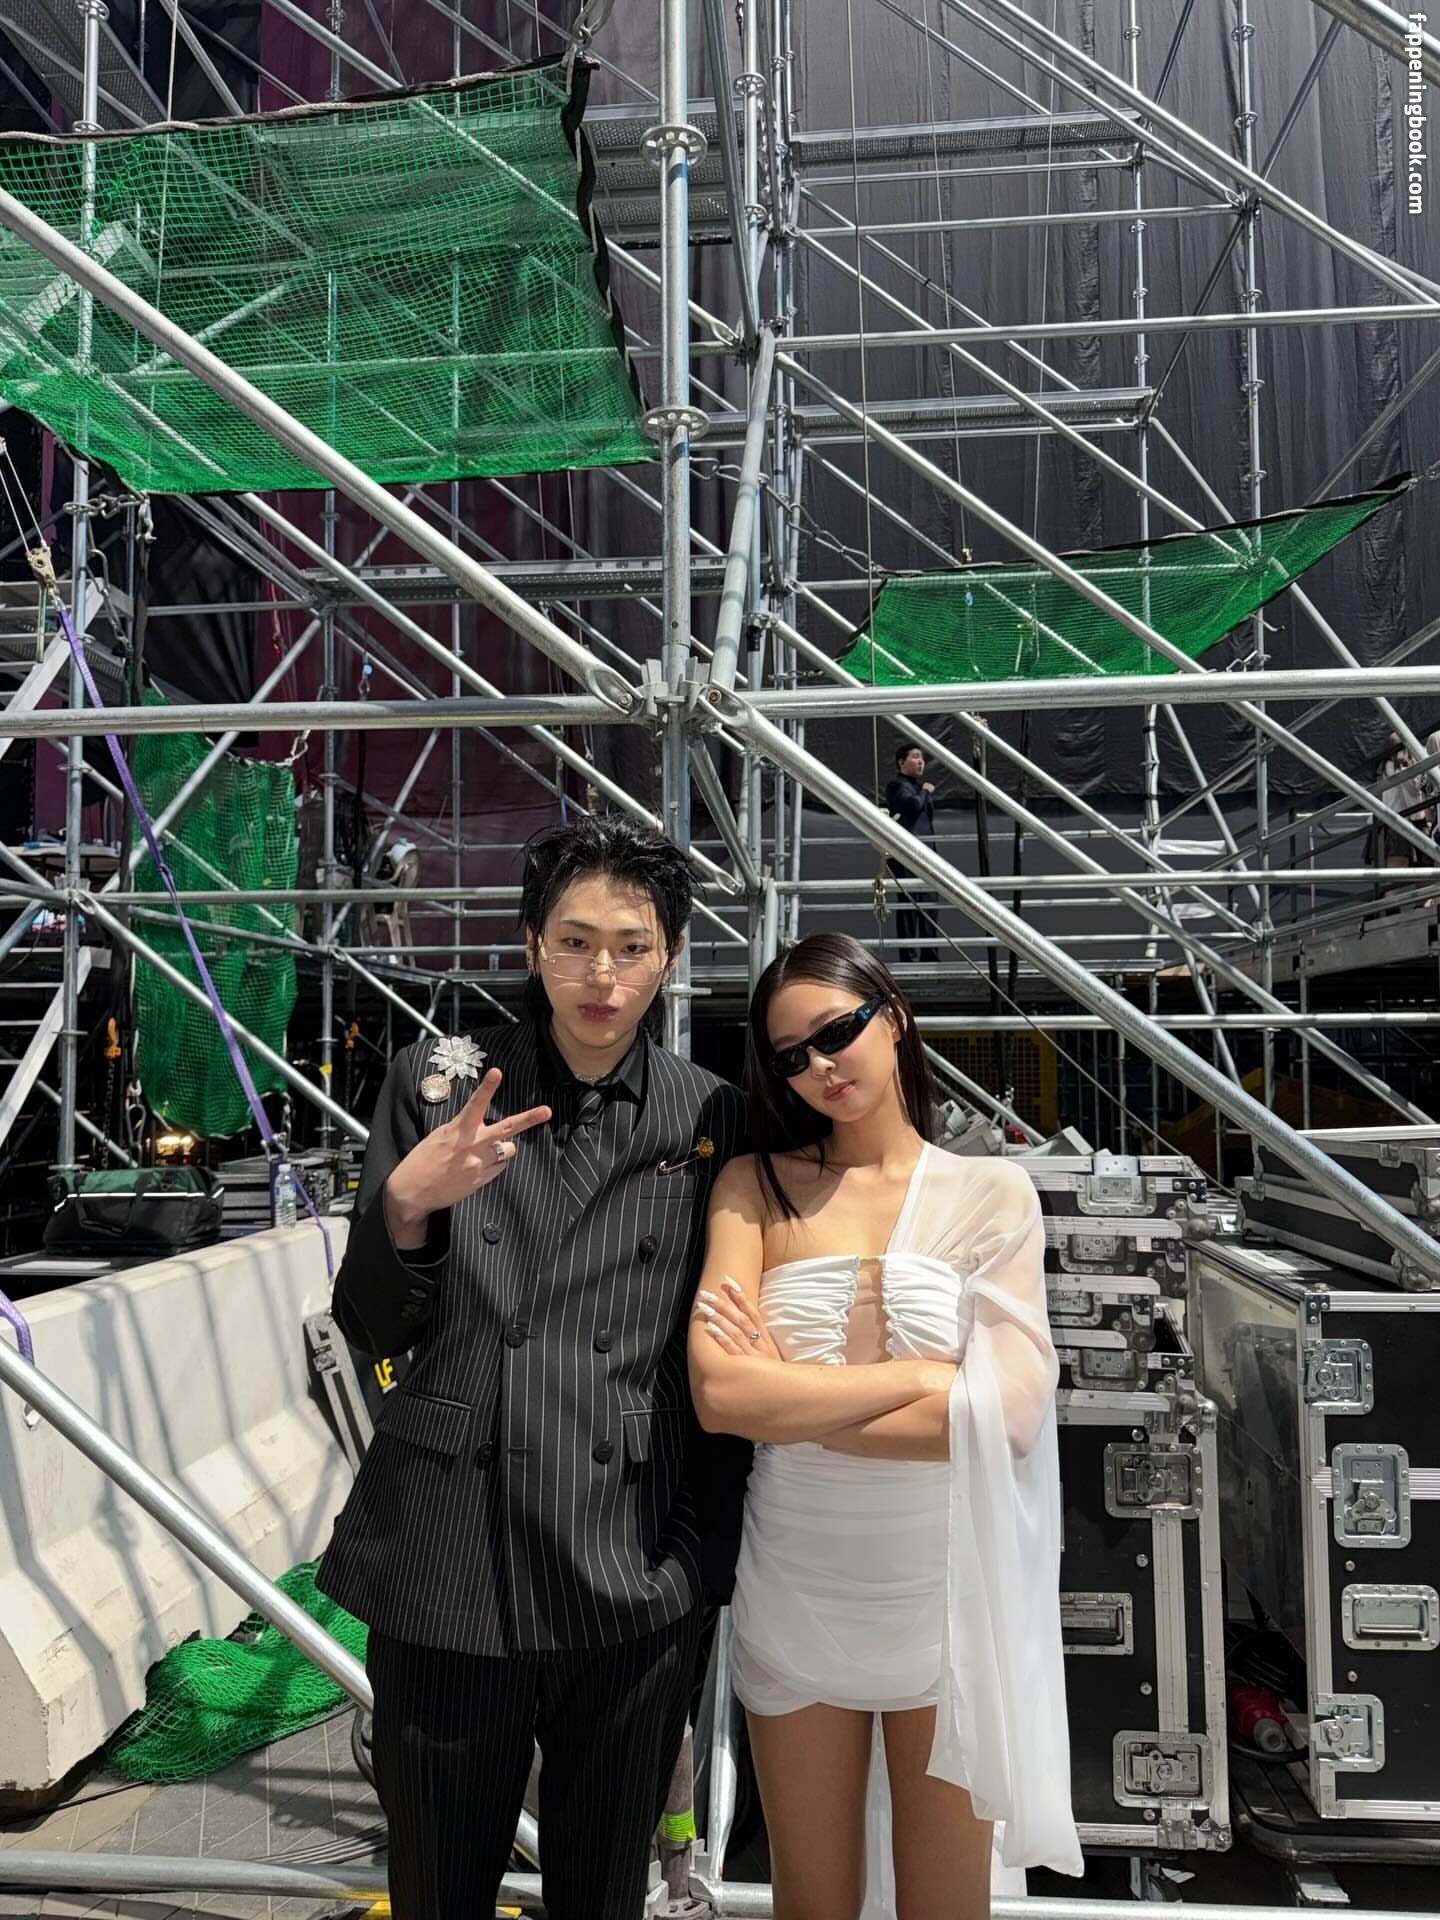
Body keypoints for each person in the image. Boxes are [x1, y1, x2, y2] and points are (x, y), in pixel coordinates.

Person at [316, 817, 749, 1920]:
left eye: (632, 947)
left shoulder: (709, 1115)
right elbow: (371, 1327)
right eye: (575, 942)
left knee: (602, 1895)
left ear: (670, 957)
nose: (603, 975)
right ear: (530, 945)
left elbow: (721, 1351)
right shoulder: (439, 1085)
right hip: (450, 1552)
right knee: (438, 1887)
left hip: (632, 1557)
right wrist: (405, 1207)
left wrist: (703, 1566)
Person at [688, 933, 1081, 1920]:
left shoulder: (993, 1192)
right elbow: (720, 1396)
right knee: (808, 1904)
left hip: (946, 1599)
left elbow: (1008, 1415)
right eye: (790, 1055)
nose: (819, 1066)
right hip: (796, 1587)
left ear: (892, 1016)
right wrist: (919, 1378)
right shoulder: (752, 1186)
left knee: (945, 1907)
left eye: (835, 1032)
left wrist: (792, 1397)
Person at [883, 743, 941, 964]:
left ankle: (930, 955)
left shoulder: (916, 788)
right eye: (915, 757)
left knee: (929, 901)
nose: (921, 761)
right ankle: (909, 956)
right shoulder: (897, 786)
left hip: (926, 852)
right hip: (908, 853)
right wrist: (925, 791)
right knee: (910, 903)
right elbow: (912, 806)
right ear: (901, 762)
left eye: (922, 758)